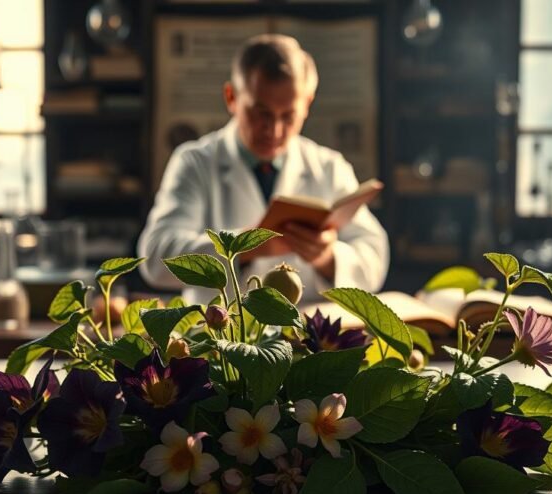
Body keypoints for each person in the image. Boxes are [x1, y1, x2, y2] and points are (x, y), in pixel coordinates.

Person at [137, 34, 388, 304]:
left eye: (288, 115)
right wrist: (246, 246)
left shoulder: (329, 167)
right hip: (221, 338)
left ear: (308, 103)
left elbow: (374, 258)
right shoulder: (194, 162)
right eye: (261, 113)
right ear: (231, 97)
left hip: (309, 338)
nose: (274, 130)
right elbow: (155, 258)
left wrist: (327, 258)